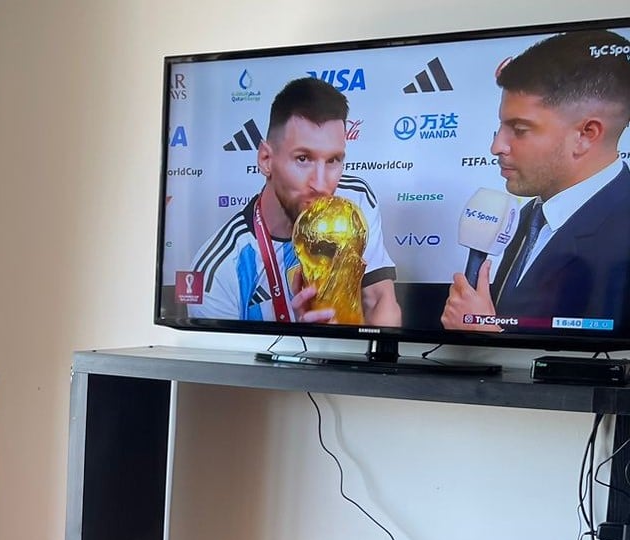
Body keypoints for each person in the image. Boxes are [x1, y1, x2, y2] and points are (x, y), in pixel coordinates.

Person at [442, 29, 630, 332]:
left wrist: (487, 336)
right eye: (501, 126)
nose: (496, 147)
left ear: (585, 135)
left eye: (519, 129)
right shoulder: (529, 217)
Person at [186, 76, 401, 325]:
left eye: (333, 160)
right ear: (266, 159)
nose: (321, 185)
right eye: (303, 158)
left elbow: (380, 300)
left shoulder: (356, 200)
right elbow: (228, 363)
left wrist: (352, 347)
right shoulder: (218, 271)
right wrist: (305, 339)